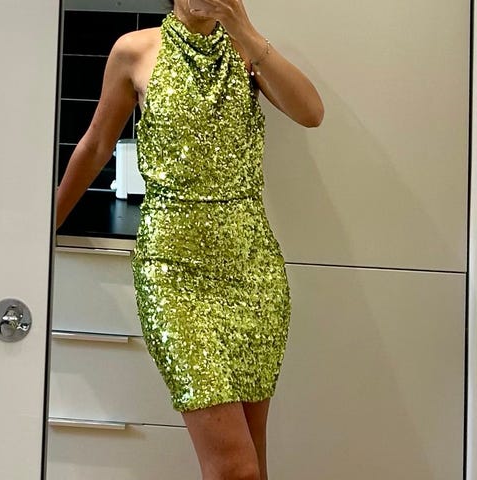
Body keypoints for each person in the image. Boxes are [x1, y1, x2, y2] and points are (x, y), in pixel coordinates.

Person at [56, 0, 324, 478]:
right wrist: (42, 229)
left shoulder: (246, 50)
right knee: (234, 467)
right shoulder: (135, 50)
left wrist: (242, 28)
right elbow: (96, 143)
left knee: (252, 462)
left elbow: (311, 112)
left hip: (252, 271)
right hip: (174, 272)